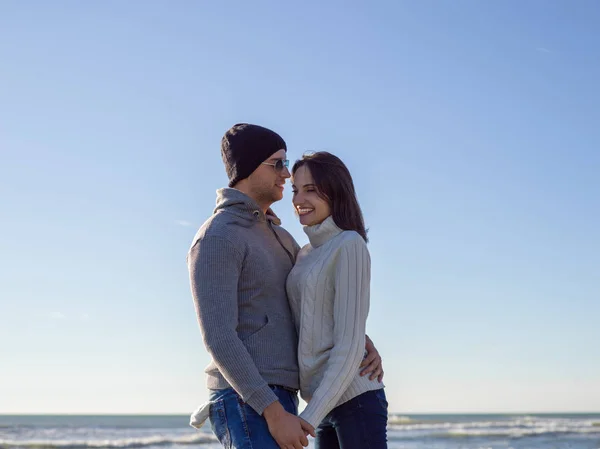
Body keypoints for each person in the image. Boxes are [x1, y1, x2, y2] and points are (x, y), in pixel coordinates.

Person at [187, 124, 384, 449]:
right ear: (249, 167)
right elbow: (219, 337)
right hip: (247, 400)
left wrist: (358, 338)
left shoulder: (284, 239)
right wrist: (272, 410)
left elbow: (310, 303)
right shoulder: (218, 236)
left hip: (286, 395)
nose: (286, 174)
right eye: (276, 164)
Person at [287, 151, 388, 449]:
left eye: (311, 190)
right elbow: (311, 316)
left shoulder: (349, 244)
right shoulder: (304, 253)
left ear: (335, 193)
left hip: (354, 399)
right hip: (323, 403)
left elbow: (347, 343)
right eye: (295, 189)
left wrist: (309, 415)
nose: (297, 199)